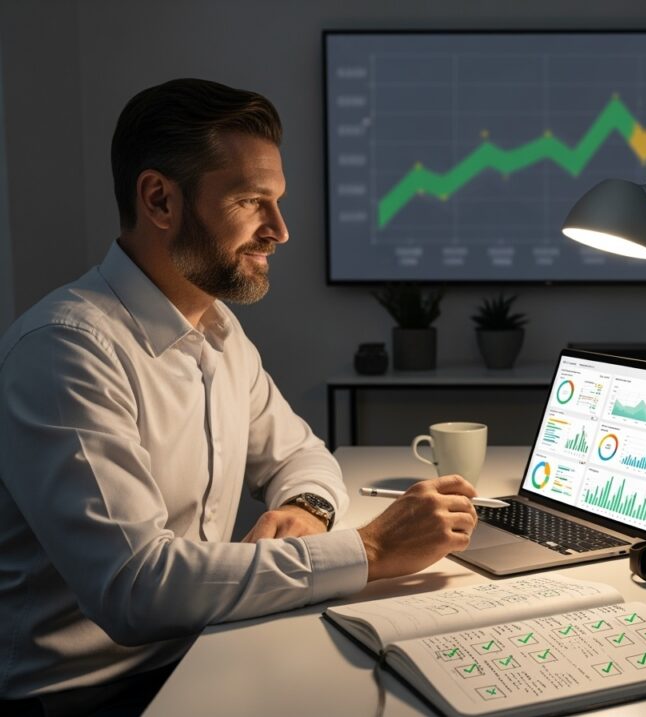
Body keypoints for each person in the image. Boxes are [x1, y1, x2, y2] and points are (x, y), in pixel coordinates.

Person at [0, 78, 478, 714]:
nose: (279, 230)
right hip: (87, 696)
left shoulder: (218, 331)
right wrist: (372, 550)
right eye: (253, 201)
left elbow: (300, 455)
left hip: (198, 649)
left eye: (276, 202)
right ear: (159, 200)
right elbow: (136, 589)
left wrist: (308, 511)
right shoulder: (66, 350)